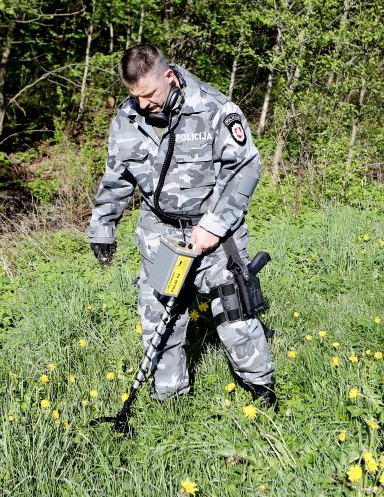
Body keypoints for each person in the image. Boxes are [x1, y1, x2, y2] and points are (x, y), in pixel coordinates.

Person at [87, 44, 276, 406]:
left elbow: (246, 168)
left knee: (234, 310)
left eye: (149, 95)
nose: (142, 105)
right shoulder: (128, 118)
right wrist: (102, 227)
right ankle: (170, 401)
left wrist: (215, 225)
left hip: (216, 237)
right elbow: (117, 177)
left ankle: (259, 387)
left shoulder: (215, 109)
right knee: (162, 316)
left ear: (169, 77)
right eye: (134, 97)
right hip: (161, 235)